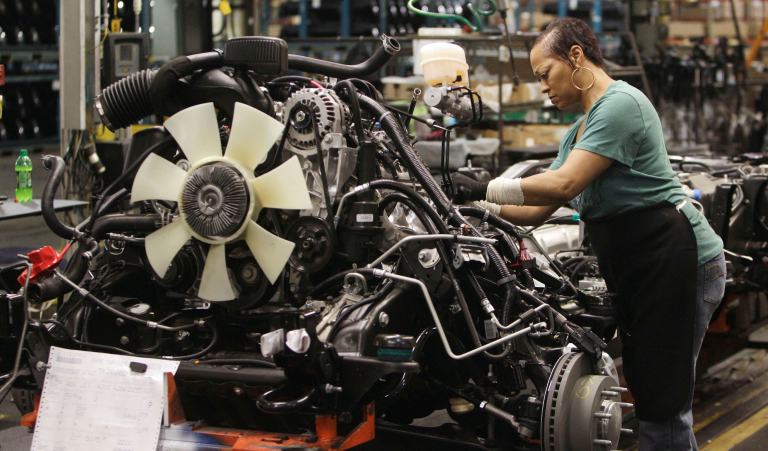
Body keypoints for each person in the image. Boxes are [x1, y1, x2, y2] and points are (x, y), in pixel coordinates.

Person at [453, 17, 726, 451]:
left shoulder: (620, 104)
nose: (542, 87)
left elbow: (563, 185)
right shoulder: (579, 131)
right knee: (647, 384)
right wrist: (465, 207)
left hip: (678, 258)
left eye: (545, 74)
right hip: (642, 265)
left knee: (663, 399)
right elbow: (534, 211)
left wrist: (483, 185)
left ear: (576, 57)